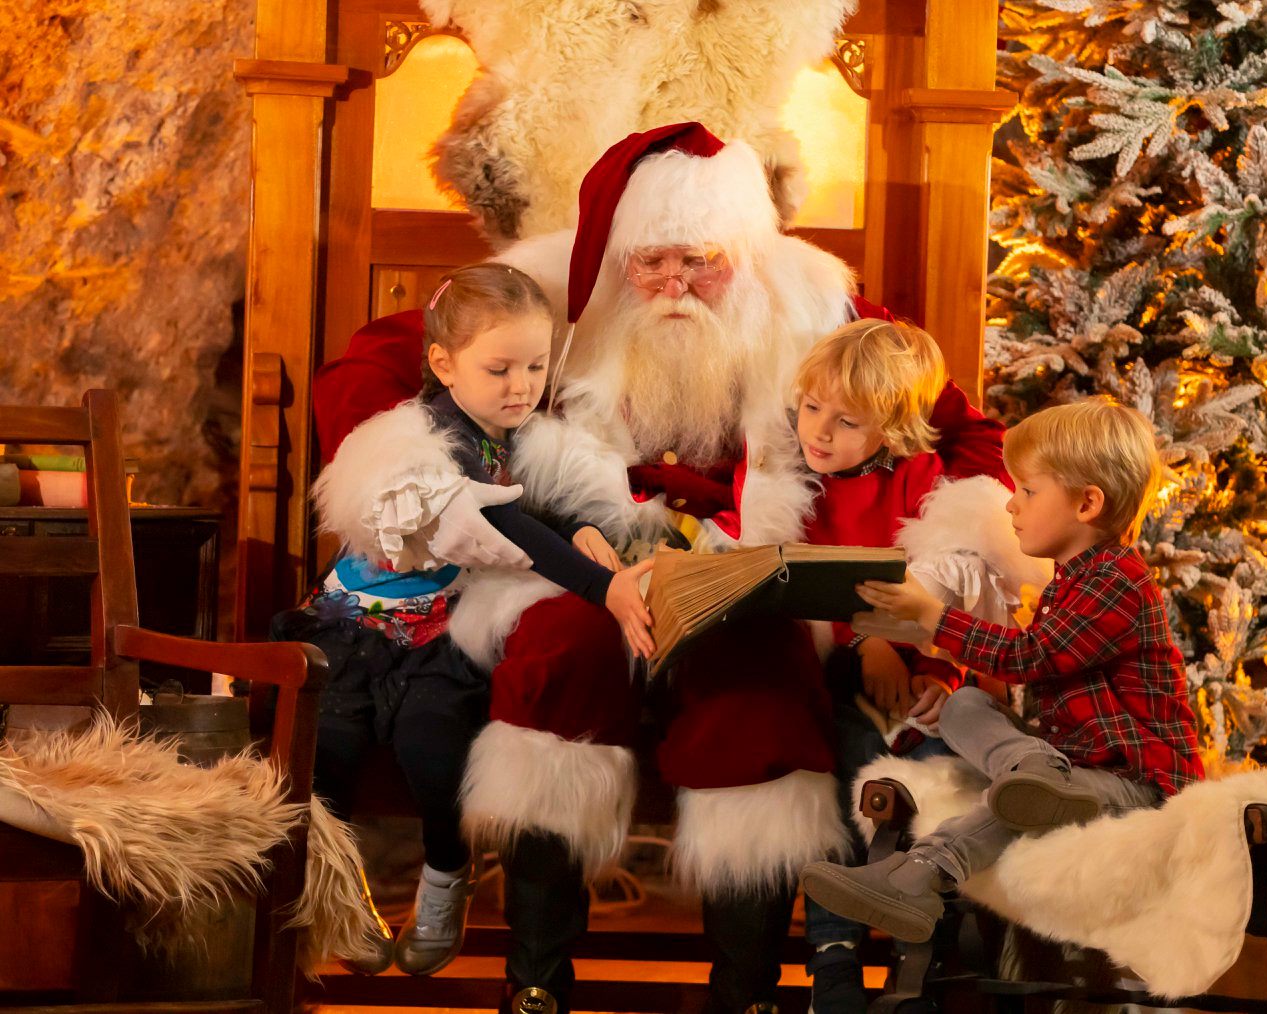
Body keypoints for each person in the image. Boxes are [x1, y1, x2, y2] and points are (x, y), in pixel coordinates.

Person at [315, 122, 1013, 1014]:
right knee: (559, 662)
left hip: (743, 569)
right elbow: (367, 369)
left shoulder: (812, 303)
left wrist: (932, 573)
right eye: (651, 263)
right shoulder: (550, 287)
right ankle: (536, 982)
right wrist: (415, 472)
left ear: (745, 254)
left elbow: (958, 429)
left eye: (702, 262)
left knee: (760, 694)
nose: (674, 285)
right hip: (574, 559)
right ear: (617, 253)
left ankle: (746, 992)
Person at [278, 263, 653, 978]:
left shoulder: (525, 437)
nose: (521, 386)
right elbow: (505, 518)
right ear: (444, 365)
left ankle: (446, 875)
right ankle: (339, 892)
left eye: (536, 366)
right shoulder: (428, 436)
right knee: (330, 746)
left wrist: (576, 526)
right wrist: (603, 588)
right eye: (499, 368)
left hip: (437, 636)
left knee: (435, 749)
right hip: (357, 624)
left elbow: (539, 501)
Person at [800, 399, 1204, 944]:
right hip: (1075, 766)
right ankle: (1033, 770)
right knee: (965, 705)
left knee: (1012, 799)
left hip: (1136, 784)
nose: (1012, 506)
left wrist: (935, 618)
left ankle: (917, 876)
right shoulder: (1072, 579)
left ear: (1086, 504)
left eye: (1029, 492)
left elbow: (1030, 658)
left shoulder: (1117, 580)